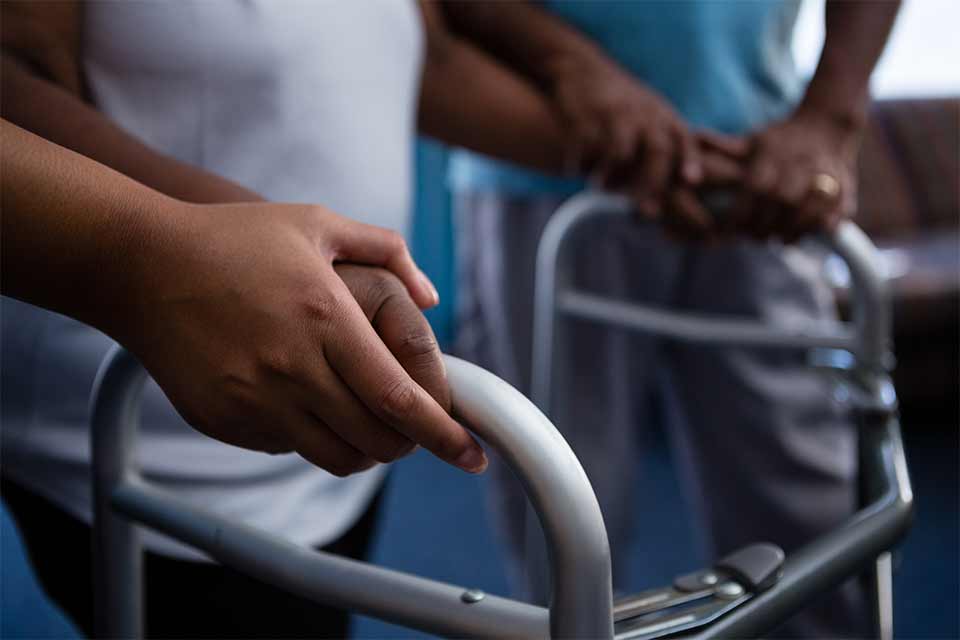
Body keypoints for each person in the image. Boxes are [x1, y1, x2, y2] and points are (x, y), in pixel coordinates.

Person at [0, 1, 586, 636]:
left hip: (323, 388)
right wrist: (206, 252)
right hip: (154, 425)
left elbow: (422, 57)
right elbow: (14, 79)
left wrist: (627, 148)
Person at [442, 1, 899, 637]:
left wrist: (830, 116)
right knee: (561, 515)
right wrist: (572, 66)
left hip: (759, 178)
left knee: (810, 522)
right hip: (541, 175)